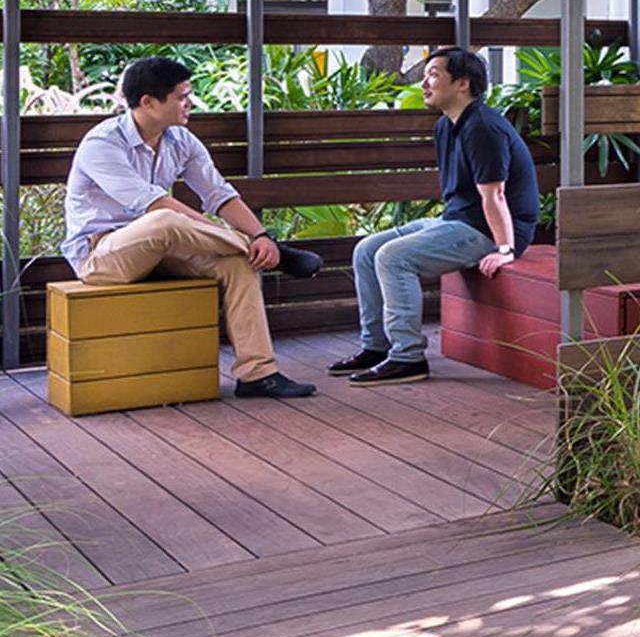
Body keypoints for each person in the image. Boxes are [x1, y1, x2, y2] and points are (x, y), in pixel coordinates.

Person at [62, 56, 319, 399]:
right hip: (101, 257)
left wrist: (258, 236)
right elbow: (155, 205)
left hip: (160, 250)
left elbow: (219, 195)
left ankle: (258, 374)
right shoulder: (102, 144)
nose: (190, 103)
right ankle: (276, 252)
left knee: (237, 264)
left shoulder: (181, 141)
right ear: (148, 103)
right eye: (182, 96)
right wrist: (252, 240)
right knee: (165, 219)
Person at [328, 46, 539, 386]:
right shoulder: (446, 125)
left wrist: (505, 251)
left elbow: (495, 194)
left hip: (491, 230)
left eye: (434, 74)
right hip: (458, 220)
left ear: (462, 84)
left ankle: (407, 356)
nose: (424, 82)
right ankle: (377, 346)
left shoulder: (483, 127)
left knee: (393, 257)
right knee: (366, 250)